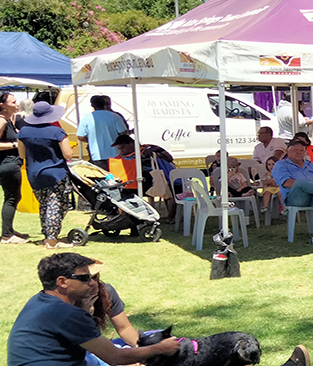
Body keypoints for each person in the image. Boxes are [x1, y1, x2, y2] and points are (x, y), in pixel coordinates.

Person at [7, 253, 183, 366]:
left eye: (93, 277)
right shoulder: (67, 314)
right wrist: (160, 348)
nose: (92, 282)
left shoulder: (40, 300)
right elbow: (115, 357)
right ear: (62, 282)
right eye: (84, 278)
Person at [17, 102, 74, 249]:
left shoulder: (23, 132)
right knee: (56, 205)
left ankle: (47, 234)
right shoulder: (57, 132)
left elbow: (22, 154)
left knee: (44, 205)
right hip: (56, 173)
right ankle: (51, 239)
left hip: (34, 174)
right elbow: (68, 154)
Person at [271, 139, 313, 212]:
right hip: (296, 198)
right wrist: (311, 186)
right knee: (300, 183)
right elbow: (286, 183)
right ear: (287, 151)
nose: (299, 152)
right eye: (295, 150)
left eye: (301, 150)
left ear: (305, 152)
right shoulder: (280, 165)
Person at [1, 92, 28, 244]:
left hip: (12, 163)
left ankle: (9, 230)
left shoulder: (8, 120)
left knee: (14, 196)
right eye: (13, 102)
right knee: (11, 198)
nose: (17, 105)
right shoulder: (2, 122)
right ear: (2, 106)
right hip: (7, 164)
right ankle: (6, 235)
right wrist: (15, 144)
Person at [76, 95, 129, 170]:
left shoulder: (87, 118)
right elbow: (123, 132)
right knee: (118, 176)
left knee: (103, 178)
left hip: (97, 155)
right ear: (104, 104)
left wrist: (91, 140)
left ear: (92, 105)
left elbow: (80, 136)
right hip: (115, 153)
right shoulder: (115, 116)